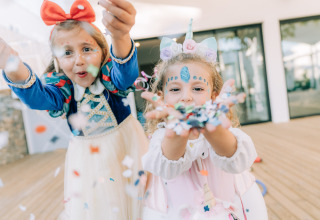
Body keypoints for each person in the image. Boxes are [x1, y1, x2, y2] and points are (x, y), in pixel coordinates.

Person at [0, 0, 148, 219]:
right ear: (57, 60)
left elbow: (124, 75)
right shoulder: (62, 91)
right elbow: (37, 98)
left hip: (127, 147)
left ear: (102, 51)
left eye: (87, 49)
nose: (79, 60)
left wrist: (120, 36)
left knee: (140, 203)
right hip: (88, 162)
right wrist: (11, 65)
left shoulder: (110, 79)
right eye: (67, 53)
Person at [140, 20, 268, 220]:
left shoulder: (222, 130)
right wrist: (178, 131)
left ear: (214, 96)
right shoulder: (161, 137)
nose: (186, 97)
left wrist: (211, 128)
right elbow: (168, 166)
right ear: (162, 97)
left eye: (198, 88)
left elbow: (238, 158)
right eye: (175, 89)